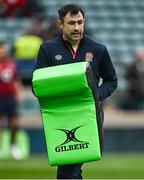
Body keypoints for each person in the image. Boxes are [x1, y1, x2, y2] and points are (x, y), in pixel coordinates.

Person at [34, 4, 118, 179]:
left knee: (70, 167)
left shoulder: (98, 49)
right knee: (67, 166)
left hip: (88, 114)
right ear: (60, 25)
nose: (77, 27)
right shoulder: (47, 49)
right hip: (59, 115)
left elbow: (112, 81)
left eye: (80, 22)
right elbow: (37, 85)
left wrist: (95, 97)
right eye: (71, 23)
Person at [0, 41, 23, 160]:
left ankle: (13, 146)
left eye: (3, 49)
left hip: (10, 98)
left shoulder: (11, 64)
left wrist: (19, 93)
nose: (2, 51)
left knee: (15, 124)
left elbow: (16, 80)